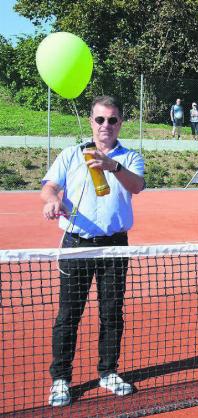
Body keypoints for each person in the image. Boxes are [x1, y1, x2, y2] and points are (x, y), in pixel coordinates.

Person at [41, 96, 145, 407]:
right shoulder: (72, 154)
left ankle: (108, 372)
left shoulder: (130, 157)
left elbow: (137, 185)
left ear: (120, 124)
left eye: (112, 120)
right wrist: (52, 199)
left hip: (114, 245)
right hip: (77, 244)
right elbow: (48, 185)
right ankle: (61, 379)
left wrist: (112, 166)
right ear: (91, 122)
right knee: (69, 315)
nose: (106, 126)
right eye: (100, 120)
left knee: (112, 313)